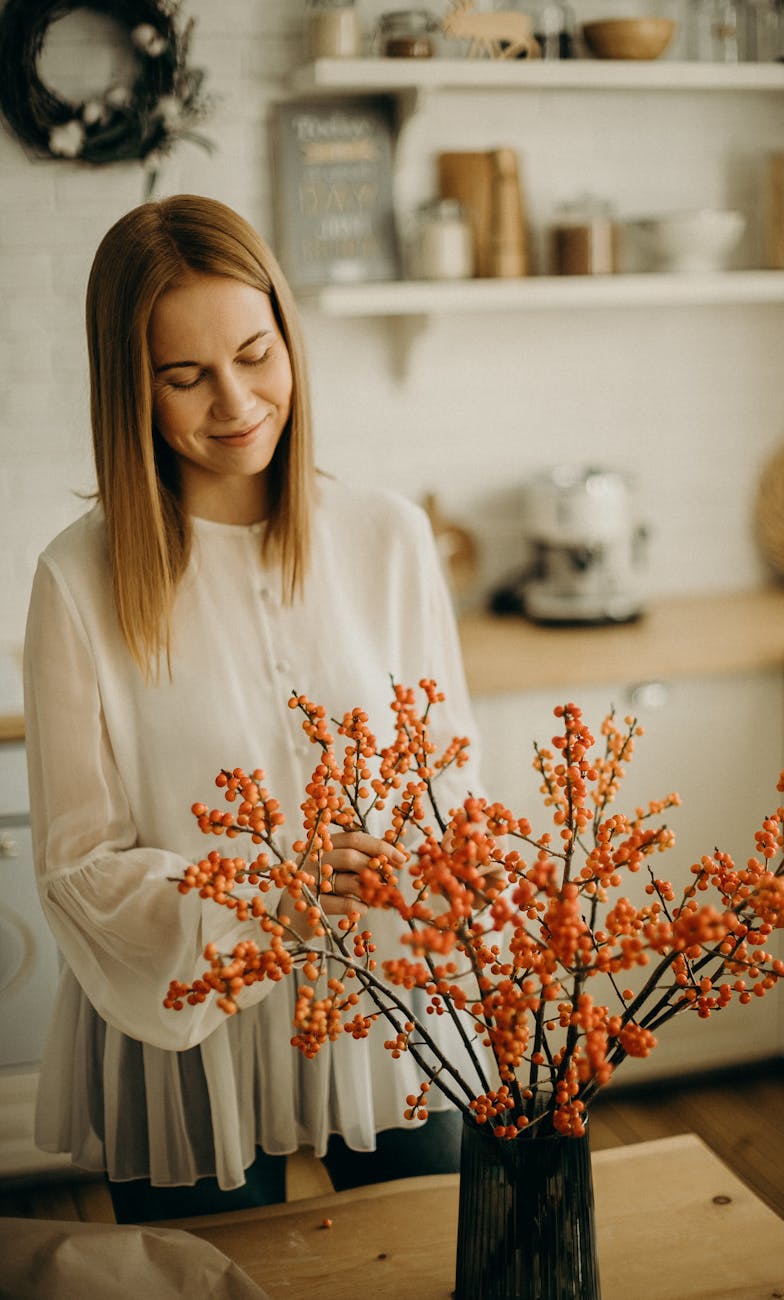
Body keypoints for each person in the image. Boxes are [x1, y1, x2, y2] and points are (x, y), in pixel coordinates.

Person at [22, 194, 483, 1223]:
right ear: (129, 389)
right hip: (187, 1032)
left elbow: (449, 773)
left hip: (385, 995)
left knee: (439, 1253)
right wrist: (261, 899)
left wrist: (436, 865)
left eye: (255, 354)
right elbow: (74, 867)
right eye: (185, 376)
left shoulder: (389, 536)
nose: (234, 401)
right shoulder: (77, 581)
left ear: (290, 339)